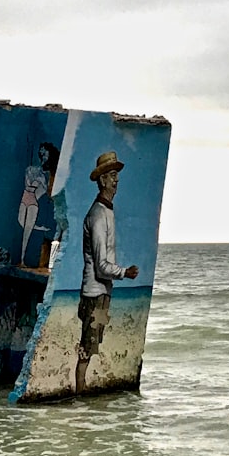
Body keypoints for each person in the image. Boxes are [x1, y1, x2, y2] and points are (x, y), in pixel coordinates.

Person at [75, 151, 139, 394]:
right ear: (102, 180)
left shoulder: (105, 211)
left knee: (89, 350)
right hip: (95, 293)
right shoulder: (99, 215)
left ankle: (81, 400)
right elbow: (102, 266)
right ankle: (79, 400)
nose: (116, 180)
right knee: (86, 352)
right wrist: (125, 272)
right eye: (112, 176)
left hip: (99, 293)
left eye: (117, 176)